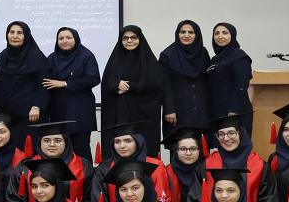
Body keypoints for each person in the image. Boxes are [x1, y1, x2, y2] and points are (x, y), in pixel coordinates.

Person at [199, 114, 278, 202]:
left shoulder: (260, 166)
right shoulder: (206, 165)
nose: (226, 138)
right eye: (221, 134)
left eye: (231, 133)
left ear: (241, 133)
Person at [101, 25, 171, 155]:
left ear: (140, 39)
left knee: (144, 150)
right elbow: (106, 84)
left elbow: (156, 85)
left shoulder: (149, 61)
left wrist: (130, 86)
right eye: (125, 38)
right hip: (121, 114)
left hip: (144, 113)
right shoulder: (115, 60)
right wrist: (116, 85)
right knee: (122, 147)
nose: (129, 40)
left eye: (133, 37)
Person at [91, 121, 171, 202]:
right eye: (117, 142)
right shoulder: (104, 168)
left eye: (128, 141)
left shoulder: (156, 166)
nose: (122, 146)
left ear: (138, 142)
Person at [44, 27, 101, 158]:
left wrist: (65, 83)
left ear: (75, 39)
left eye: (68, 38)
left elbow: (93, 79)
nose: (64, 41)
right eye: (61, 38)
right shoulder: (52, 58)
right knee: (60, 150)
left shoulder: (86, 56)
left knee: (80, 149)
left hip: (80, 112)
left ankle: (85, 172)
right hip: (58, 111)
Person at [0, 21, 49, 143]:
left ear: (26, 36)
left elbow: (44, 84)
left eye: (19, 33)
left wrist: (37, 106)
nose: (15, 36)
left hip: (29, 113)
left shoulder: (36, 56)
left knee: (27, 147)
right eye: (12, 32)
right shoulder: (3, 56)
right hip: (7, 113)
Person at [18, 121, 94, 202]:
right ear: (40, 142)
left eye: (57, 140)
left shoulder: (83, 165)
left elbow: (90, 196)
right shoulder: (25, 167)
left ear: (66, 142)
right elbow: (16, 198)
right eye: (46, 140)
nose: (52, 144)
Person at [159, 20, 211, 136]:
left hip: (201, 109)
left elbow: (207, 79)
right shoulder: (167, 55)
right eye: (182, 32)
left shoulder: (203, 52)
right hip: (177, 111)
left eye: (191, 32)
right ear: (177, 34)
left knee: (201, 144)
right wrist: (169, 109)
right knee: (178, 144)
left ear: (197, 35)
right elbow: (164, 84)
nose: (186, 35)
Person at [206, 22, 253, 133]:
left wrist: (234, 110)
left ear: (232, 35)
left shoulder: (239, 56)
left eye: (225, 33)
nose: (220, 36)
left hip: (234, 113)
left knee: (235, 141)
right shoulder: (214, 59)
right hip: (217, 112)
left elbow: (241, 85)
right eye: (217, 33)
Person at [161, 127, 208, 202]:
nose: (188, 153)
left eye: (193, 149)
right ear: (176, 150)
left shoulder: (207, 172)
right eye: (183, 149)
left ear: (199, 150)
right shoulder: (166, 173)